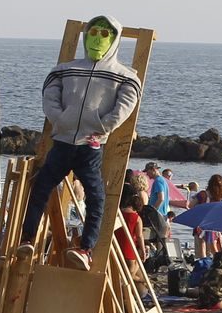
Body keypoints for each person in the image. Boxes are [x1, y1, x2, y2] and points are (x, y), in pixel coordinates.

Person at [17, 16, 141, 268]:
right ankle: (27, 238)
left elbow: (125, 106)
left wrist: (102, 127)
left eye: (104, 34)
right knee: (40, 188)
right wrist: (60, 119)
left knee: (96, 198)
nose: (97, 39)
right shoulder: (65, 69)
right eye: (93, 32)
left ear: (114, 39)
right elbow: (49, 96)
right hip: (63, 141)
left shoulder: (125, 76)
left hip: (90, 145)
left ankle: (85, 249)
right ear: (85, 35)